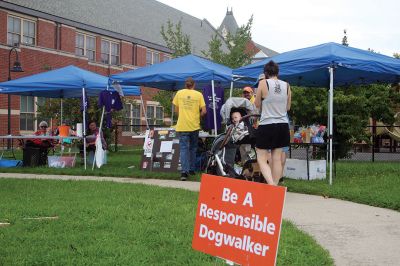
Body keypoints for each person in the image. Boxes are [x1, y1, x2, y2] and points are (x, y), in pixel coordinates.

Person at [255, 60, 291, 185]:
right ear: (277, 72)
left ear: (265, 73)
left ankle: (271, 186)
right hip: (282, 124)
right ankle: (275, 186)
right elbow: (288, 108)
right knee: (277, 159)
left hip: (267, 124)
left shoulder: (263, 83)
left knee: (261, 157)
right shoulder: (287, 85)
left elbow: (257, 104)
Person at [172, 77, 206, 181]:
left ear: (185, 85)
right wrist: (198, 116)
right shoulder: (199, 95)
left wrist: (182, 116)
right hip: (194, 125)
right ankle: (191, 169)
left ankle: (184, 172)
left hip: (182, 125)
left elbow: (176, 109)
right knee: (193, 148)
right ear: (194, 85)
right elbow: (204, 111)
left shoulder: (179, 93)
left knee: (183, 149)